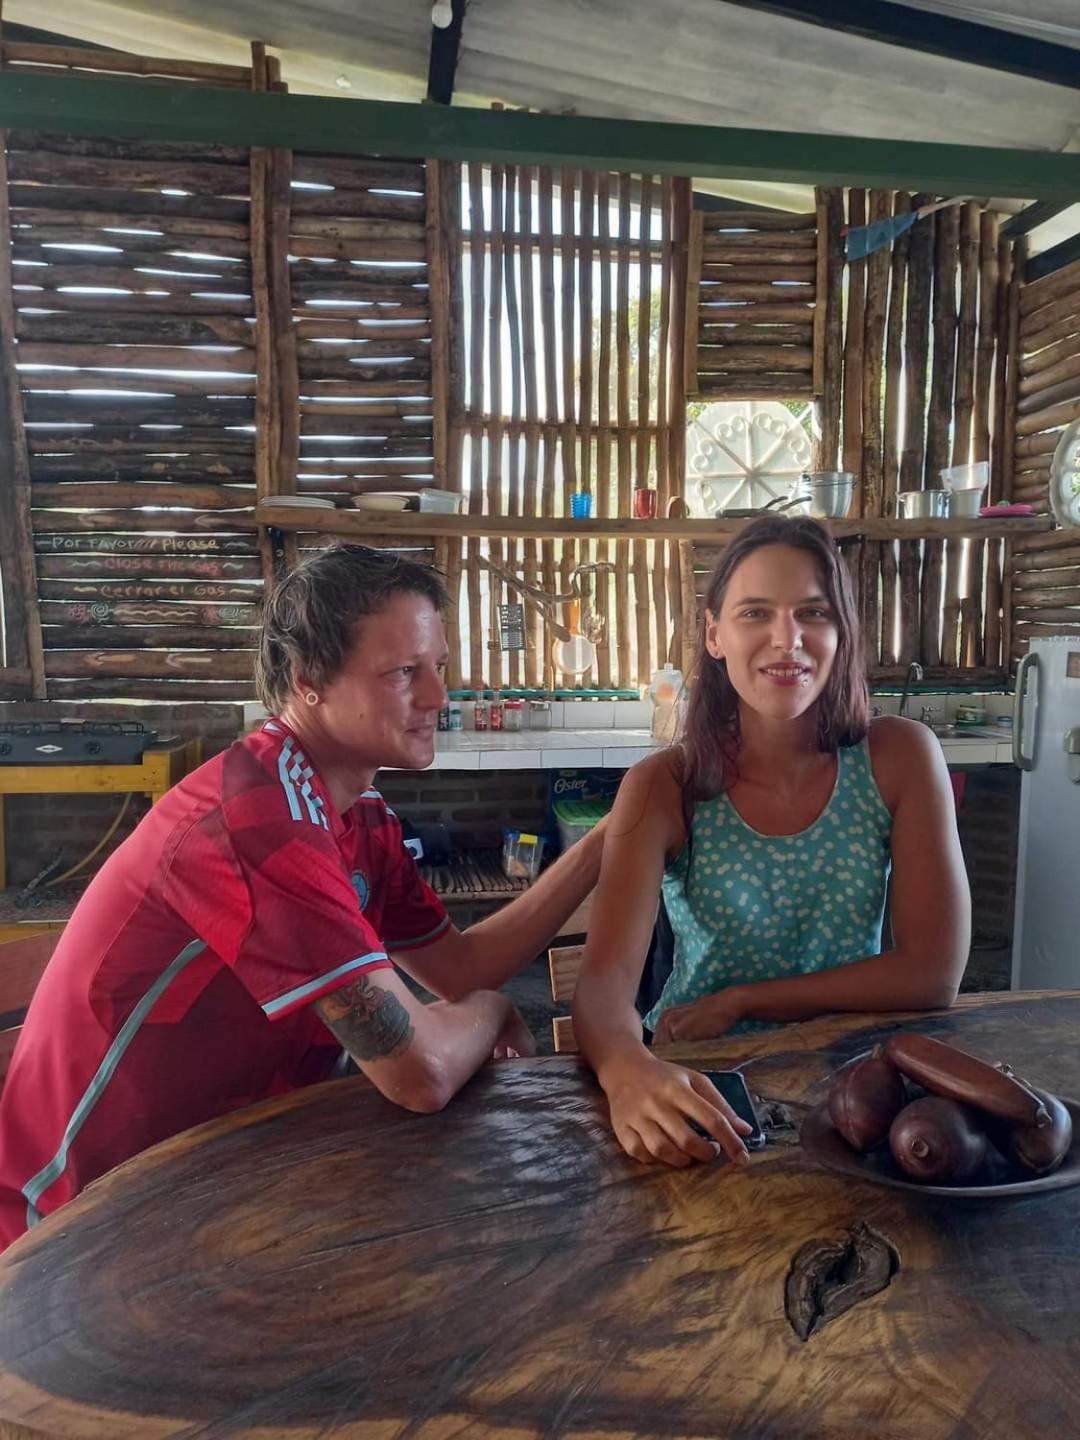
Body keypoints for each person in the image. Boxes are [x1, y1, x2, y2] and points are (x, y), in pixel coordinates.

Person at [0, 545, 605, 1248]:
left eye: (438, 668)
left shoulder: (358, 814)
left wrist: (601, 843)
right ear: (307, 678)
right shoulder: (262, 821)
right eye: (405, 672)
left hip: (225, 1176)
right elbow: (422, 1073)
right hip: (86, 1221)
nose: (439, 698)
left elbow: (460, 969)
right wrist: (495, 1009)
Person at [573, 514, 970, 1169]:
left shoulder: (900, 757)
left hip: (859, 1091)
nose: (788, 640)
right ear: (715, 634)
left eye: (812, 612)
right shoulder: (663, 785)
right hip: (703, 1087)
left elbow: (931, 975)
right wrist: (626, 1072)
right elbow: (604, 987)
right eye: (756, 612)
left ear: (841, 633)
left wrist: (745, 1000)